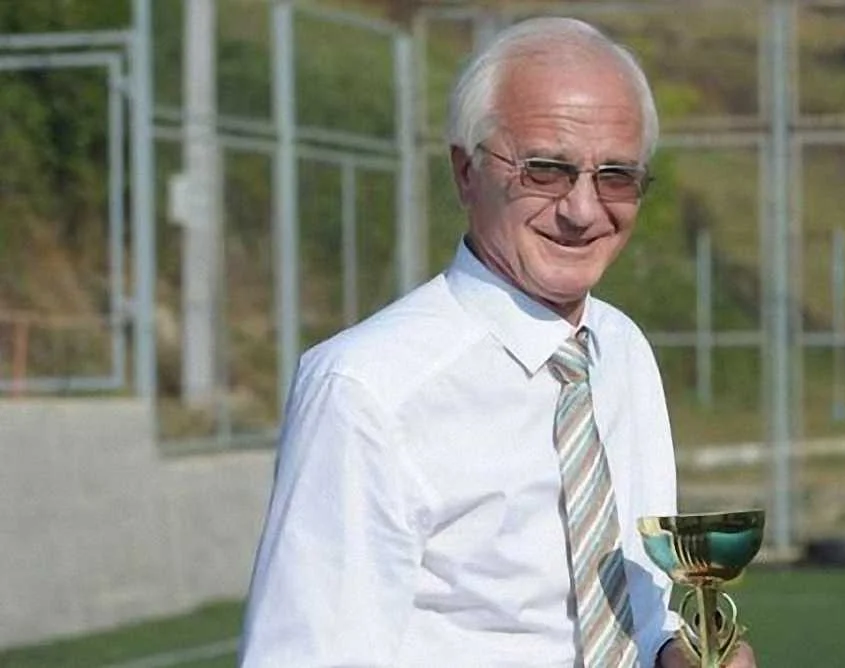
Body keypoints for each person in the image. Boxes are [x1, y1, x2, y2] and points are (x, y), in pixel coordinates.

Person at [239, 16, 756, 668]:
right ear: (466, 172)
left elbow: (636, 610)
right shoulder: (365, 391)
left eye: (616, 176)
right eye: (546, 170)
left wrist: (671, 653)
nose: (582, 210)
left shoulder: (621, 351)